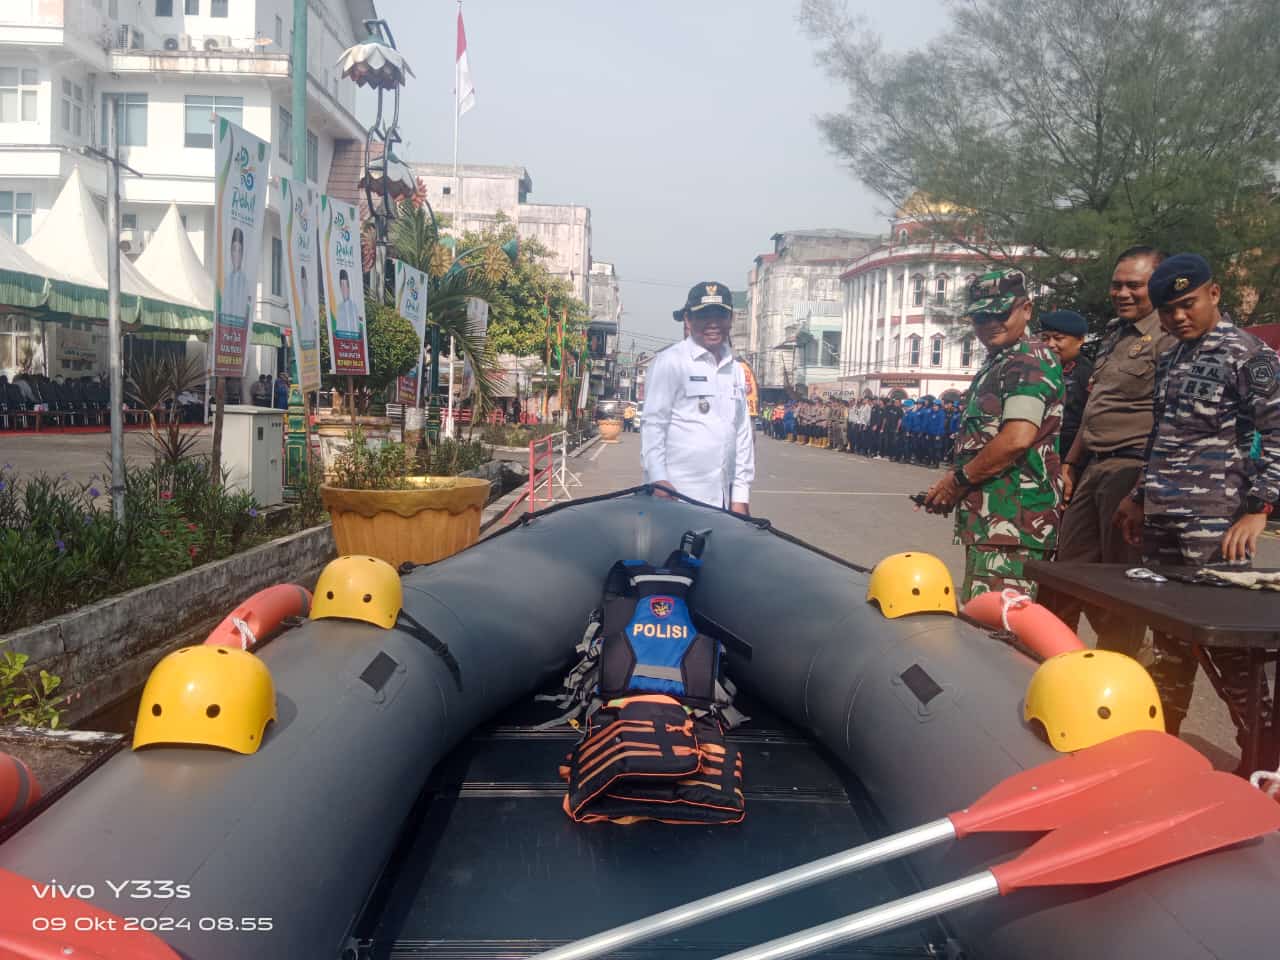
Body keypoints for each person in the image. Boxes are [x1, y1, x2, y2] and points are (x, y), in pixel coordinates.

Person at [1114, 254, 1278, 758]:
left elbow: (1276, 433)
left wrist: (1259, 508)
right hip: (1165, 513)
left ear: (1215, 294)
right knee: (1168, 640)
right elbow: (1163, 435)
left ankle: (1262, 754)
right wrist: (1139, 497)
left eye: (1187, 305)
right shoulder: (1173, 355)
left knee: (1229, 648)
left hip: (1216, 519)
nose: (1178, 317)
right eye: (1167, 310)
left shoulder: (1250, 355)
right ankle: (1164, 749)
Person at [1046, 248, 1173, 656]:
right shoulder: (1114, 337)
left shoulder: (1169, 336)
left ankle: (1121, 670)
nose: (1122, 292)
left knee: (1119, 582)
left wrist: (1143, 485)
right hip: (1093, 467)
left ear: (1156, 284)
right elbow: (1095, 408)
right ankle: (1054, 660)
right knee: (1067, 570)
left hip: (1131, 466)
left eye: (1134, 285)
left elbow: (1170, 415)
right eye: (1117, 284)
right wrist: (1070, 463)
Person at [921, 268, 1064, 601]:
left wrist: (957, 481)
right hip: (995, 522)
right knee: (986, 623)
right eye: (981, 316)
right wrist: (953, 485)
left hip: (1014, 523)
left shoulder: (1028, 361)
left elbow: (1016, 438)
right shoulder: (1001, 360)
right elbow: (984, 440)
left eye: (1001, 312)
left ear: (1026, 309)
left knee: (999, 631)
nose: (990, 323)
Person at [641, 281, 755, 514]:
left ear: (731, 319)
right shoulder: (671, 362)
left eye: (720, 315)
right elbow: (653, 425)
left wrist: (741, 495)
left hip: (723, 497)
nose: (713, 323)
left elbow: (742, 433)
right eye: (704, 316)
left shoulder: (735, 369)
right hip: (675, 496)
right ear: (688, 320)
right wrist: (658, 479)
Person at [1038, 310, 1094, 465]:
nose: (1050, 344)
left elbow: (1089, 421)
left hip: (1070, 456)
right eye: (1045, 338)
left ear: (1080, 340)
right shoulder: (1040, 370)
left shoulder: (1086, 373)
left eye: (1058, 338)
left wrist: (1071, 463)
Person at [224, 227, 251, 325]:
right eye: (234, 249)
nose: (236, 254)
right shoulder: (226, 281)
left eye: (240, 250)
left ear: (243, 254)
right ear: (230, 251)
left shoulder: (245, 283)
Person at [335, 269, 360, 335]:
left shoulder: (354, 306)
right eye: (342, 286)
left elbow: (356, 326)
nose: (343, 289)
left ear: (349, 288)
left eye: (345, 286)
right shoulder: (339, 307)